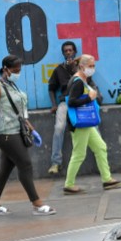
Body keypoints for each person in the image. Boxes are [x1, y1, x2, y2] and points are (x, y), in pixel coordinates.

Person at [0, 55, 56, 216]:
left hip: (16, 130)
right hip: (4, 132)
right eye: (15, 70)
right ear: (6, 69)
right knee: (25, 163)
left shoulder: (12, 85)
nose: (18, 73)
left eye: (19, 70)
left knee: (6, 168)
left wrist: (32, 130)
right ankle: (37, 204)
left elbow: (20, 114)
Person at [62, 54, 121, 194]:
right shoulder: (77, 81)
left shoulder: (82, 80)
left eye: (93, 65)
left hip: (86, 122)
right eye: (90, 66)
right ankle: (69, 184)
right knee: (79, 154)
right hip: (80, 124)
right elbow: (71, 102)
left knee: (101, 147)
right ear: (82, 67)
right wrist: (89, 98)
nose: (93, 68)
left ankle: (107, 179)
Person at [47, 41, 78, 175]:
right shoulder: (59, 69)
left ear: (75, 52)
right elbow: (51, 88)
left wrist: (74, 69)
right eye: (65, 51)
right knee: (59, 128)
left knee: (93, 127)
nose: (68, 53)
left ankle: (102, 160)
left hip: (80, 102)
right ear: (63, 53)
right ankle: (55, 163)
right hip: (65, 102)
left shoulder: (82, 67)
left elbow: (88, 82)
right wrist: (54, 104)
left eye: (70, 50)